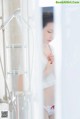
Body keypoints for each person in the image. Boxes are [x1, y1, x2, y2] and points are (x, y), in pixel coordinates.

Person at [42, 12, 55, 119]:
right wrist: (48, 70)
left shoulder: (52, 49)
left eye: (53, 32)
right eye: (49, 31)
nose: (52, 36)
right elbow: (31, 79)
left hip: (54, 103)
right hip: (42, 104)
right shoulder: (34, 51)